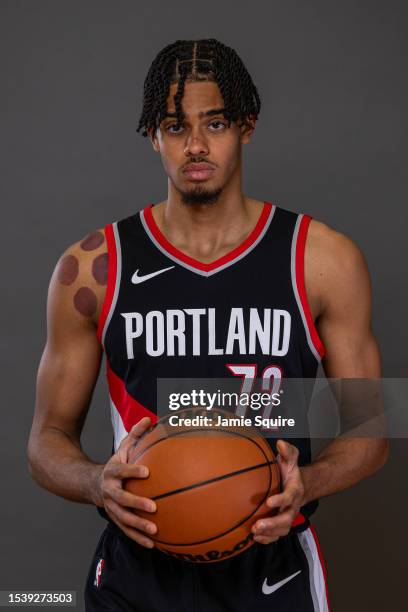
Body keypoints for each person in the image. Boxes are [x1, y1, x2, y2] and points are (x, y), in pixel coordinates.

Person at [28, 38, 389, 611]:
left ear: (246, 126)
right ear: (153, 134)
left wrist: (308, 485)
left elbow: (370, 430)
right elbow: (45, 439)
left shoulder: (323, 260)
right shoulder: (93, 269)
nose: (195, 144)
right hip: (137, 570)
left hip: (273, 571)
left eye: (215, 123)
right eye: (175, 127)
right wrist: (97, 482)